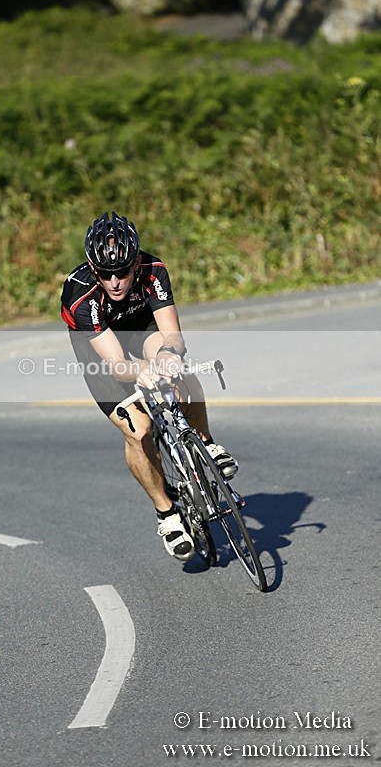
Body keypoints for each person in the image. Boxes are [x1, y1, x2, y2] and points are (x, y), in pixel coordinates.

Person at [60, 211, 237, 561]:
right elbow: (118, 364)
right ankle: (167, 514)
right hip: (101, 350)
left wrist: (170, 356)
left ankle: (206, 444)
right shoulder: (80, 296)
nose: (114, 282)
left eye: (122, 271)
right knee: (138, 430)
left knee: (179, 369)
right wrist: (140, 371)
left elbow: (172, 335)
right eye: (104, 273)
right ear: (92, 269)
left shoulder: (153, 270)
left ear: (136, 262)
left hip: (141, 327)